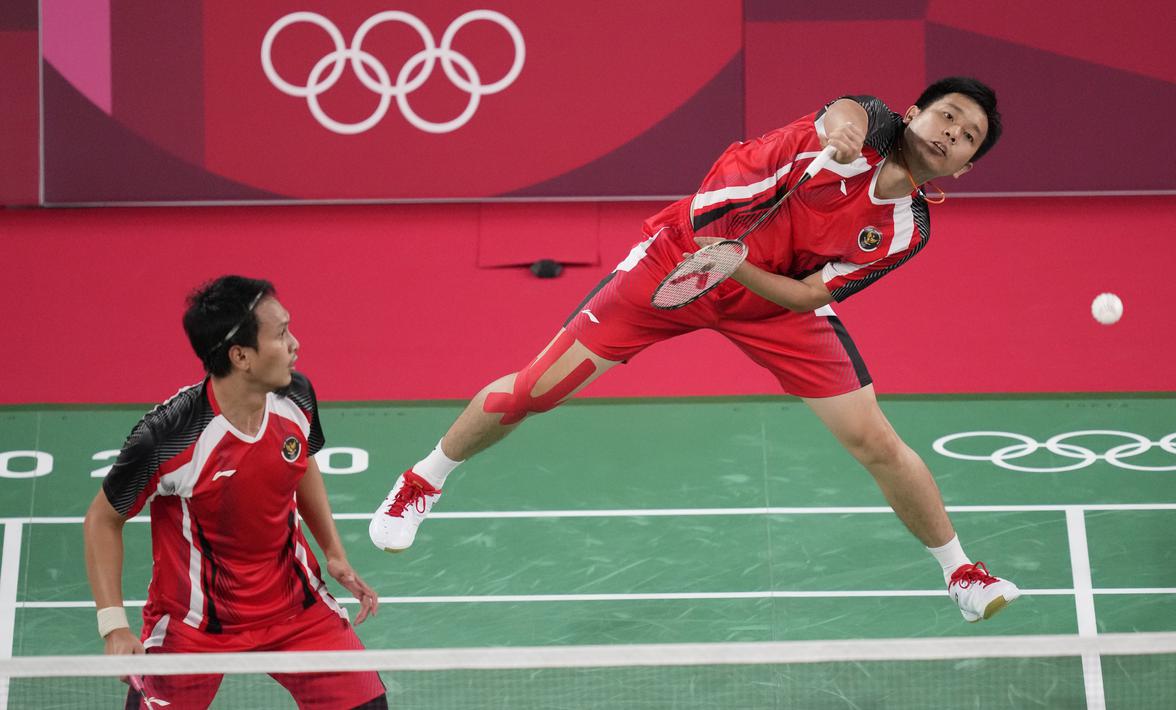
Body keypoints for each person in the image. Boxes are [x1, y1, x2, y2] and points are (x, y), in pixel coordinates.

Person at [370, 77, 1020, 623]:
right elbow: (846, 112)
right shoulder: (864, 125)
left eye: (967, 137)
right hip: (678, 260)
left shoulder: (907, 229)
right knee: (536, 390)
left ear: (964, 168)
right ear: (913, 112)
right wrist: (840, 133)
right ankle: (421, 480)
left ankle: (960, 573)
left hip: (768, 296)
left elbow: (806, 296)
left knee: (875, 441)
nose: (950, 133)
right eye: (946, 115)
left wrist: (732, 267)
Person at [83, 276, 387, 709]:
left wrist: (334, 553)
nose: (295, 344)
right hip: (195, 624)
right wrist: (114, 627)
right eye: (281, 334)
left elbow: (300, 460)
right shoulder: (168, 437)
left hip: (295, 607)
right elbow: (102, 519)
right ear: (241, 355)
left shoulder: (296, 396)